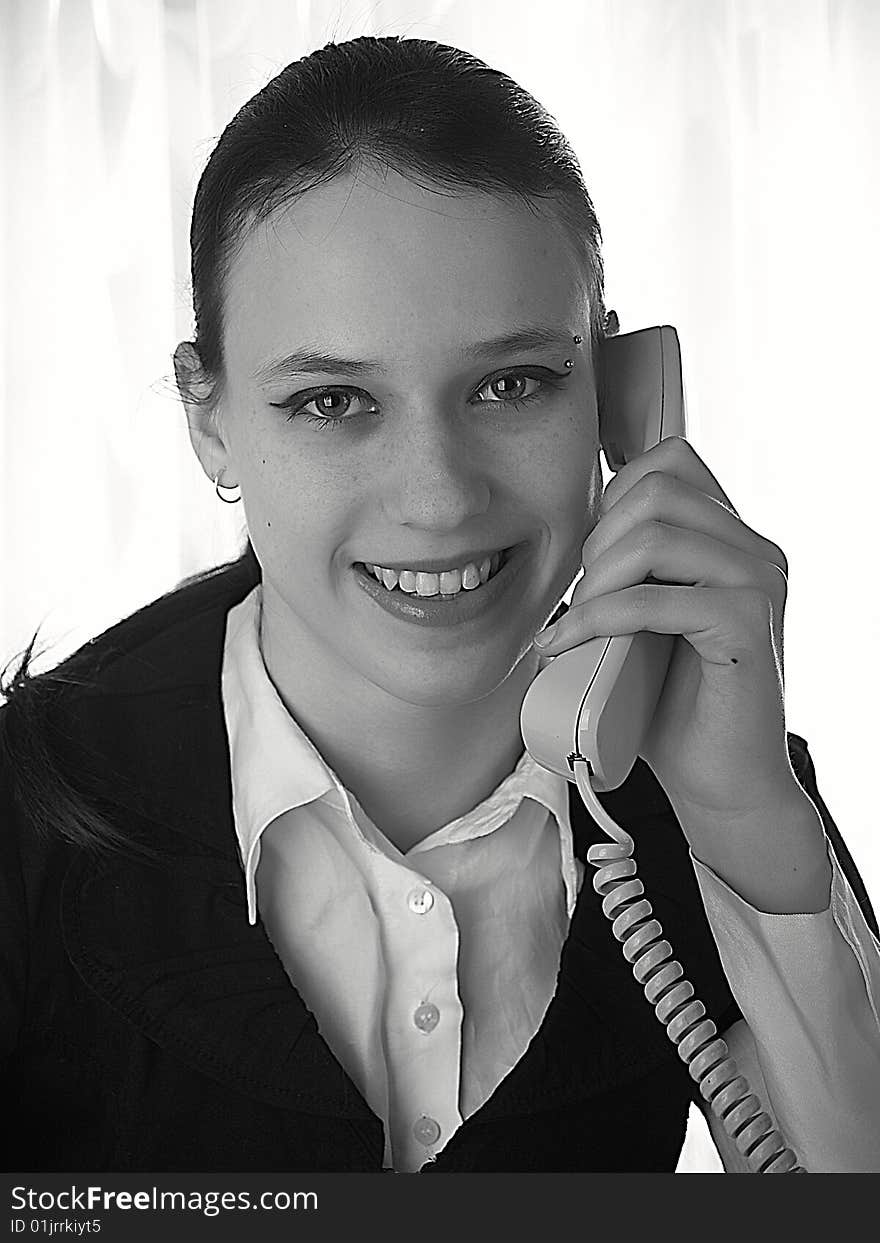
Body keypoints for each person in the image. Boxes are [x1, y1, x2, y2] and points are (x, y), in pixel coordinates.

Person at [1, 35, 878, 1175]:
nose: (438, 498)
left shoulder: (715, 780)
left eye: (513, 383)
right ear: (209, 418)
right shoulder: (30, 810)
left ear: (616, 397)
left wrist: (746, 825)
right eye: (331, 400)